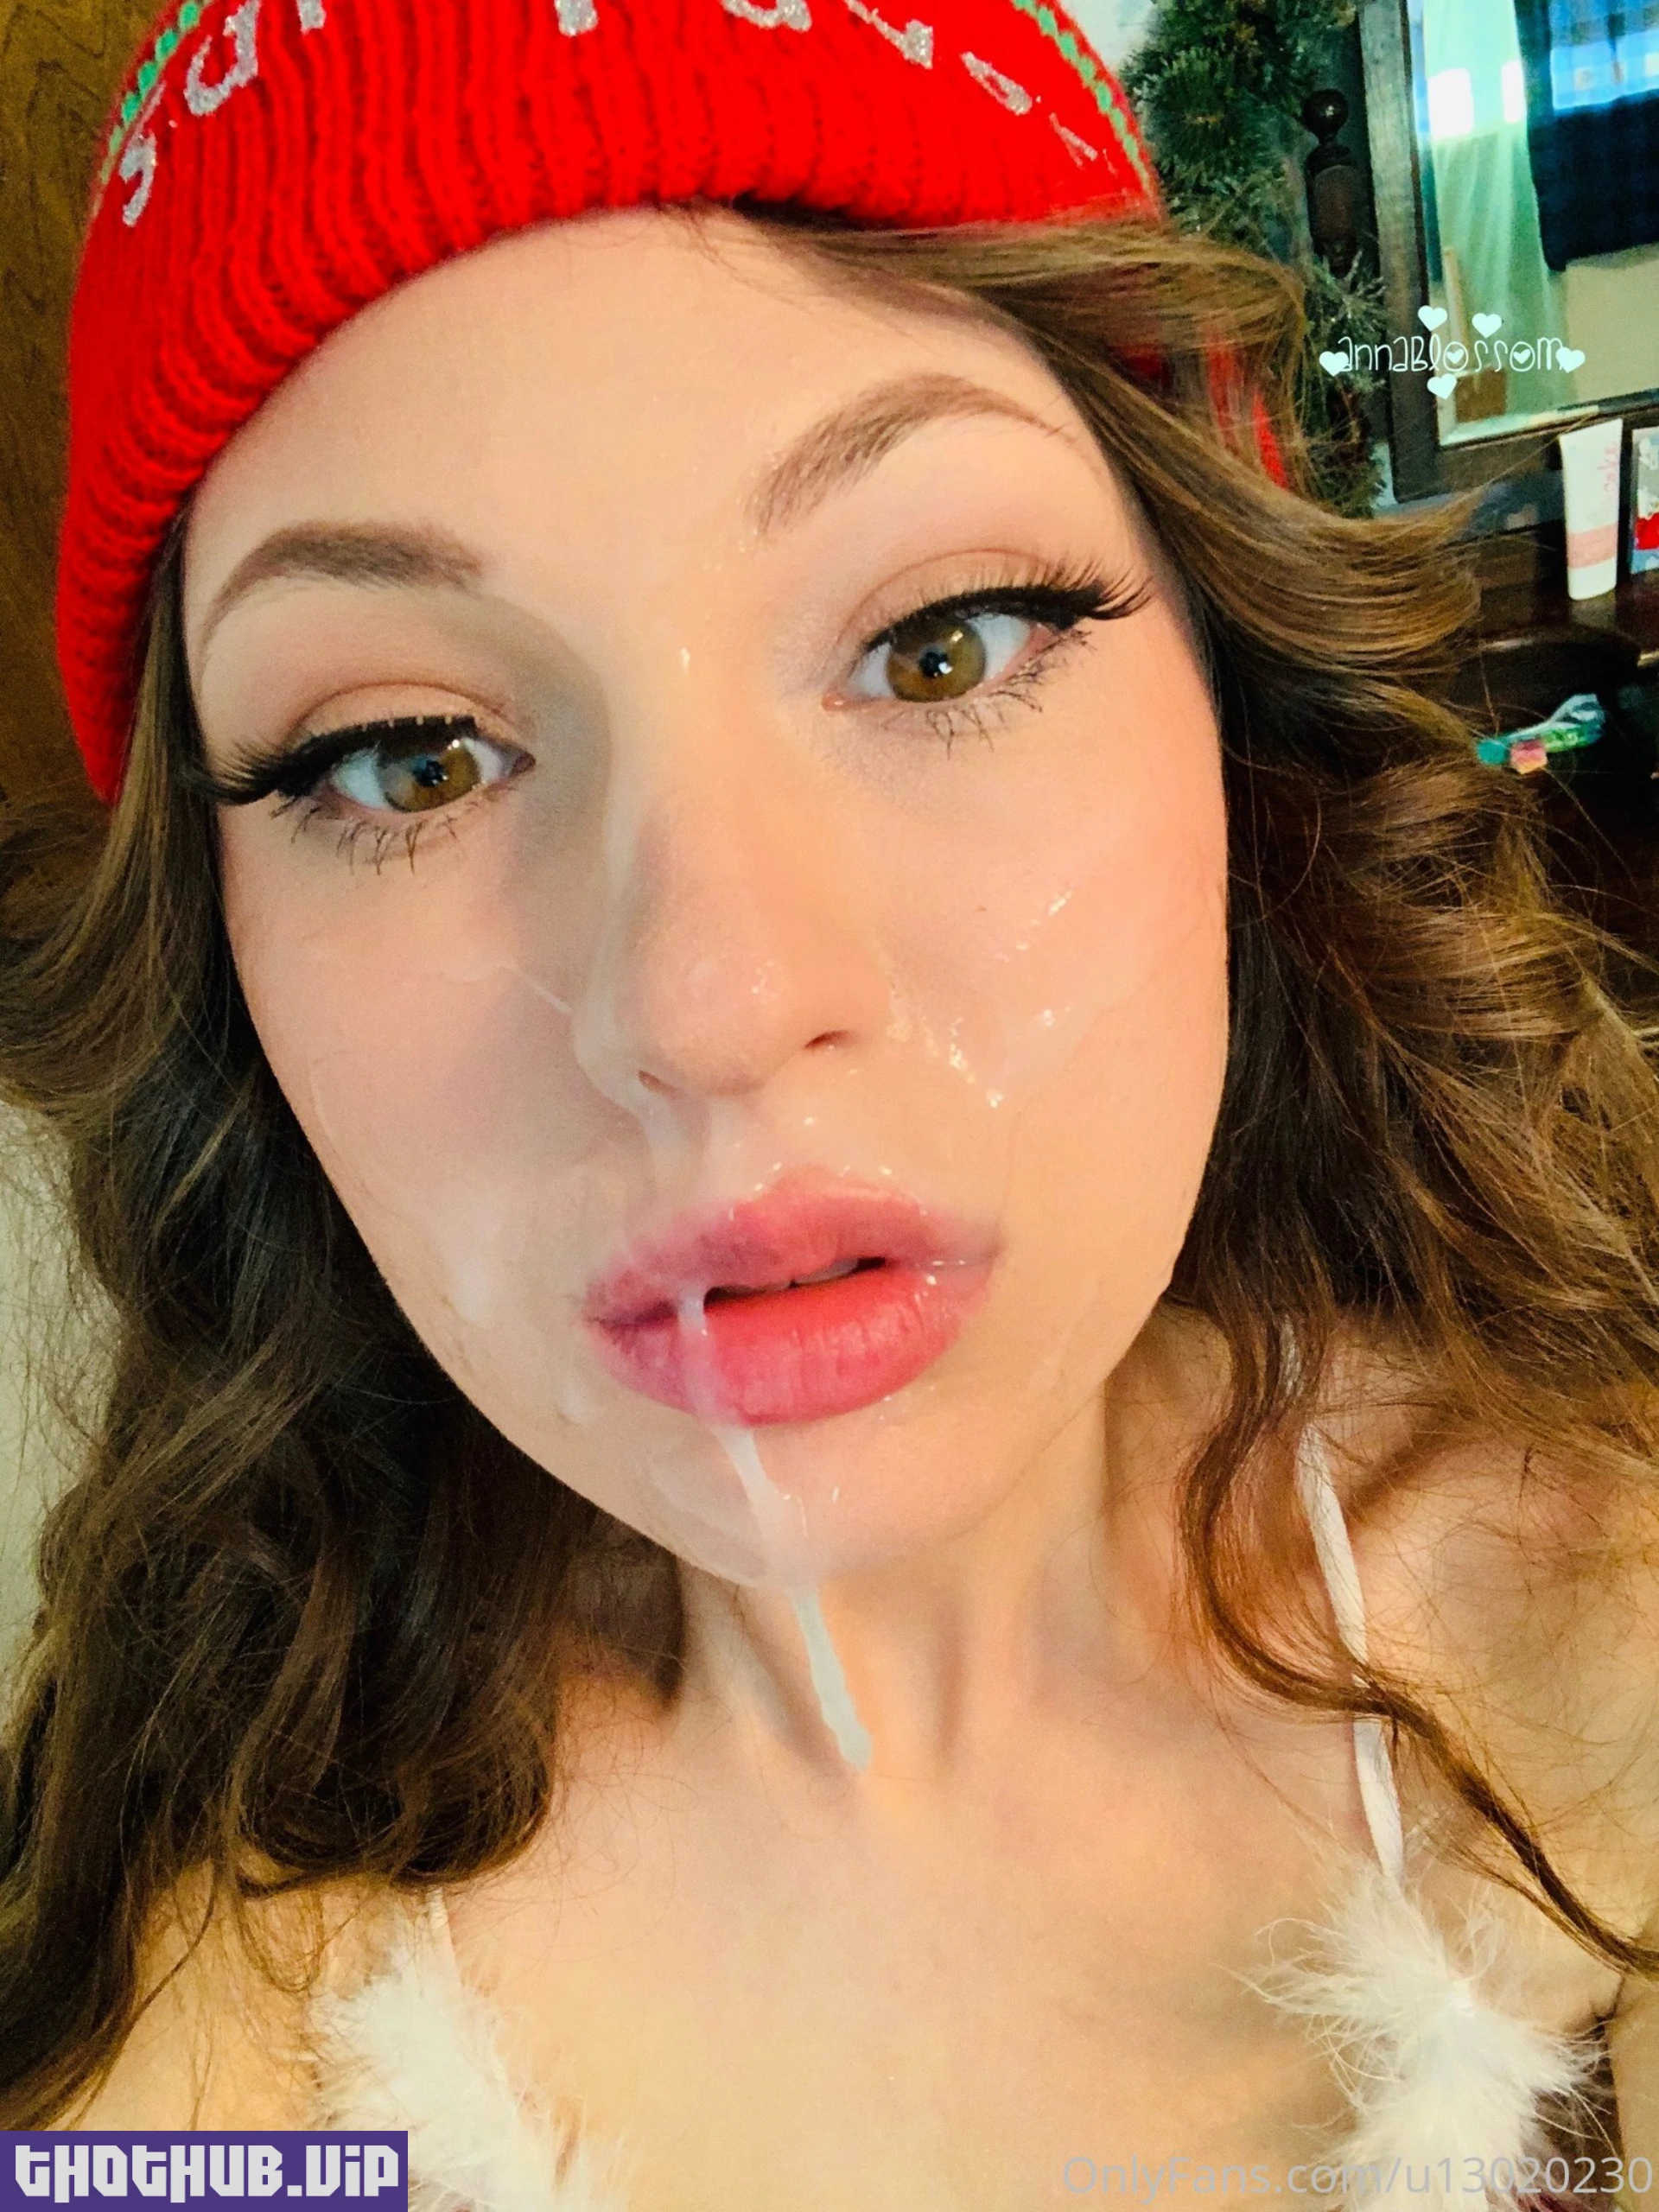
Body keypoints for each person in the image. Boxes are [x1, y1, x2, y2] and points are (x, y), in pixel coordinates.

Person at [2, 0, 1657, 2196]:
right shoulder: (173, 2007)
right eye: (402, 756)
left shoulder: (1617, 1669)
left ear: (1241, 729)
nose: (707, 1001)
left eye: (941, 642)